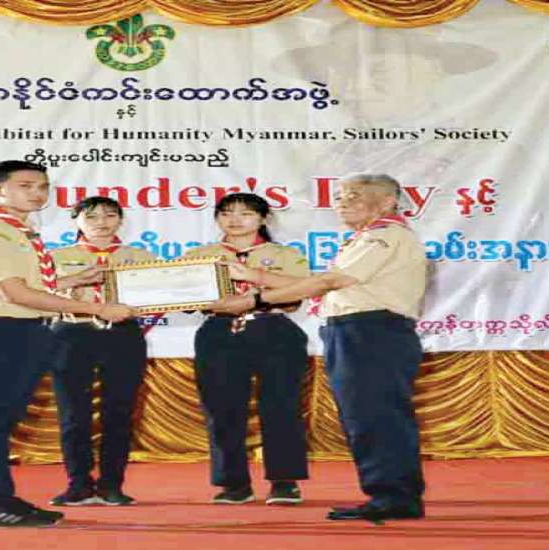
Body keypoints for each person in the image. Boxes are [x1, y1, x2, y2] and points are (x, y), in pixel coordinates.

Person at [214, 174, 427, 521]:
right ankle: (391, 494)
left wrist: (256, 299)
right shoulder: (366, 238)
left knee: (376, 416)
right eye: (340, 196)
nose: (342, 203)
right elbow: (318, 283)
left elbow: (330, 281)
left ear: (388, 202)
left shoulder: (386, 236)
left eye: (354, 196)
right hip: (357, 332)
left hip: (372, 332)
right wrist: (254, 276)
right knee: (365, 415)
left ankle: (393, 496)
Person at [0, 161, 136, 528]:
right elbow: (16, 293)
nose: (37, 193)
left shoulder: (18, 231)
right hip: (3, 331)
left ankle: (1, 498)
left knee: (0, 420)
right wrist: (97, 308)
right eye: (25, 186)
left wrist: (74, 279)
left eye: (42, 186)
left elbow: (31, 285)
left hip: (25, 331)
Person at [185, 193, 311, 505]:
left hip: (274, 329)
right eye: (227, 213)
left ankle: (285, 481)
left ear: (263, 218)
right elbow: (183, 299)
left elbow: (298, 294)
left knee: (281, 406)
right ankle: (233, 483)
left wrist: (258, 284)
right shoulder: (199, 255)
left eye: (246, 213)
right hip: (219, 331)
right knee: (221, 409)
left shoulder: (286, 255)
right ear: (217, 218)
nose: (235, 219)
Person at [48, 196, 155, 506]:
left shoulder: (140, 257)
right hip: (71, 333)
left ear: (121, 220)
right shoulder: (55, 257)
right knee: (72, 413)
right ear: (76, 221)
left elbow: (159, 297)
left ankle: (112, 485)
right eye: (92, 217)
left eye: (109, 215)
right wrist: (70, 281)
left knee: (119, 412)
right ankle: (78, 484)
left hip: (122, 335)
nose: (101, 223)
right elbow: (34, 292)